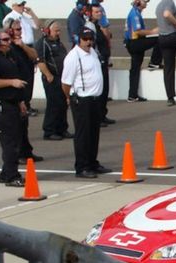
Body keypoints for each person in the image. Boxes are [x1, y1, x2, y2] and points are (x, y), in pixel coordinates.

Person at [61, 27, 112, 179]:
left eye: (90, 39)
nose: (88, 42)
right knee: (83, 134)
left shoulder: (93, 53)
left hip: (95, 99)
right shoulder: (73, 57)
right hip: (82, 99)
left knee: (94, 133)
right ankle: (82, 166)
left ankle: (92, 162)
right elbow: (65, 82)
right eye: (85, 39)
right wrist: (70, 97)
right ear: (79, 39)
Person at [0, 29, 28, 187]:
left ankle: (5, 173)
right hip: (0, 105)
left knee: (15, 139)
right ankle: (11, 175)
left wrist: (20, 101)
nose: (9, 42)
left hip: (12, 103)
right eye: (5, 40)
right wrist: (11, 82)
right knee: (10, 142)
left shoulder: (9, 57)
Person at [5, 19, 43, 165]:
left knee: (24, 124)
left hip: (26, 91)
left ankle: (26, 151)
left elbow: (35, 55)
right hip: (16, 94)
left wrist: (22, 45)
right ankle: (19, 153)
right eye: (17, 29)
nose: (20, 32)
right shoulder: (9, 49)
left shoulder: (21, 46)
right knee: (17, 126)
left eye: (20, 29)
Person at [35, 20, 72, 141]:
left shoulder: (58, 43)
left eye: (59, 30)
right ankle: (49, 131)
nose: (58, 33)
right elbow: (40, 61)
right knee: (53, 105)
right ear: (47, 30)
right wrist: (49, 75)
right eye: (56, 30)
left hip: (62, 78)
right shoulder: (42, 43)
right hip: (52, 78)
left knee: (62, 104)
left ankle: (62, 129)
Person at [3, 1, 40, 116]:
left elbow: (37, 25)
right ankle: (23, 104)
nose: (22, 7)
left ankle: (27, 103)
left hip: (28, 47)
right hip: (17, 46)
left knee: (30, 77)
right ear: (13, 6)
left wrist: (32, 13)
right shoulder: (10, 18)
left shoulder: (24, 17)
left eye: (23, 4)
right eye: (20, 5)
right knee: (23, 76)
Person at [125, 0, 163, 102]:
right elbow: (138, 31)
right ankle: (154, 63)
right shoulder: (135, 14)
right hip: (134, 43)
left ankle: (132, 95)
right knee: (160, 39)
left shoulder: (135, 12)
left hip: (132, 43)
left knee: (135, 68)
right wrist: (152, 32)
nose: (146, 2)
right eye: (144, 1)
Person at [86, 3, 116, 127]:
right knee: (100, 91)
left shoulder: (98, 25)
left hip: (103, 61)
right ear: (90, 13)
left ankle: (102, 115)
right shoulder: (90, 26)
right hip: (98, 62)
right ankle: (97, 118)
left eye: (100, 12)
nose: (99, 14)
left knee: (105, 90)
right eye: (96, 12)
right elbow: (92, 46)